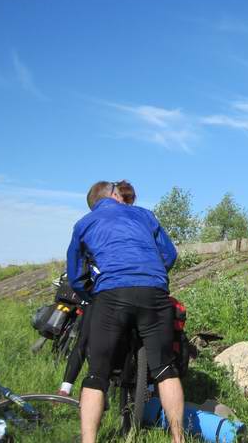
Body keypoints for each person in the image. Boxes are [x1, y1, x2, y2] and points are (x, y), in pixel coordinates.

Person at [67, 181, 184, 443]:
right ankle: (179, 439)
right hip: (153, 292)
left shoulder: (84, 223)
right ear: (113, 194)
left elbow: (75, 277)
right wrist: (150, 275)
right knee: (165, 369)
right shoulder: (143, 214)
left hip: (112, 294)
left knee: (97, 374)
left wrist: (94, 296)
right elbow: (170, 254)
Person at [57, 180, 137, 398]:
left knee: (94, 339)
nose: (126, 203)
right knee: (86, 338)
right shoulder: (127, 222)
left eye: (128, 200)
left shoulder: (106, 222)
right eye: (125, 199)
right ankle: (67, 387)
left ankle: (124, 388)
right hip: (107, 290)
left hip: (108, 289)